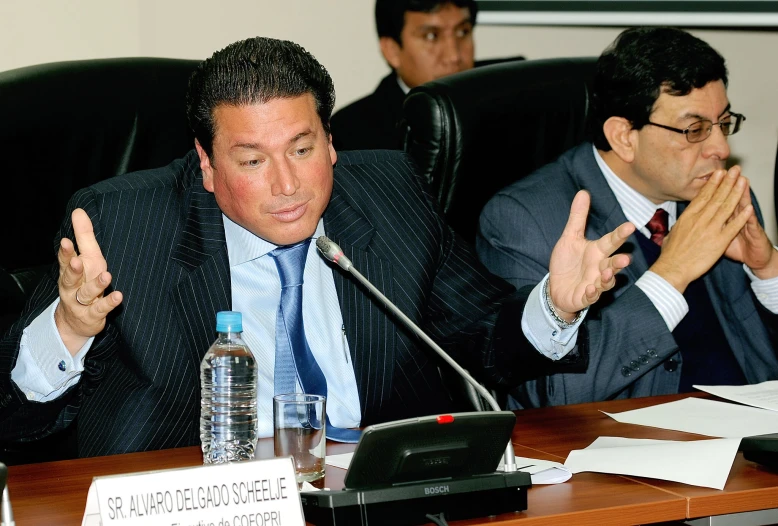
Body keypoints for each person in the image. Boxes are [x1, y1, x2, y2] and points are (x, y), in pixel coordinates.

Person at [0, 36, 632, 458]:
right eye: (251, 160)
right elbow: (12, 413)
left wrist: (554, 305)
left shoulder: (388, 191)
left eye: (303, 150)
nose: (287, 185)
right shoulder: (120, 224)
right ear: (205, 164)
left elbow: (485, 344)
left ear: (331, 141)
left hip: (383, 495)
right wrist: (69, 327)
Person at [477, 27, 778, 409]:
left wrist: (768, 270)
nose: (720, 148)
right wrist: (672, 274)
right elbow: (549, 397)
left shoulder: (723, 196)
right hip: (636, 454)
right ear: (623, 137)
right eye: (695, 130)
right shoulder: (525, 221)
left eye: (723, 123)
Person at [330, 0, 477, 151]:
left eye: (463, 32)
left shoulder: (496, 103)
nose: (453, 56)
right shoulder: (351, 133)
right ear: (392, 51)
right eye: (432, 36)